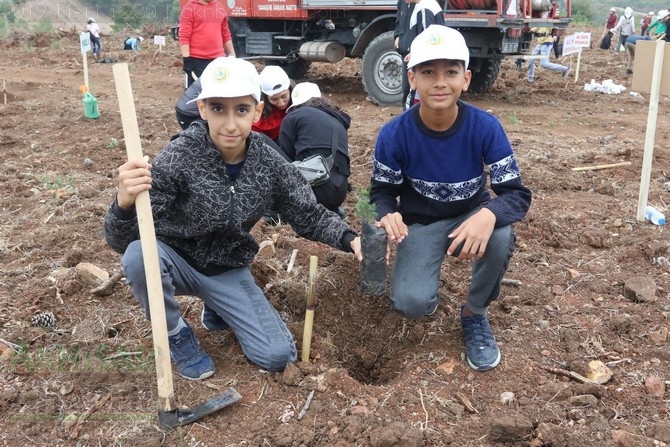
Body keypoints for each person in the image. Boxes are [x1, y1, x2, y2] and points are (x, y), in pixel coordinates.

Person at [104, 57, 362, 380]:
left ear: (257, 111)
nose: (229, 124)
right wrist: (124, 203)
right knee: (138, 256)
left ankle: (217, 308)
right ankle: (175, 333)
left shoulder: (269, 161)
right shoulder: (180, 156)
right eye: (218, 109)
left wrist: (349, 238)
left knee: (277, 355)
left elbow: (306, 213)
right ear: (202, 109)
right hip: (176, 260)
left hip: (227, 267)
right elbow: (120, 240)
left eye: (241, 110)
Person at [370, 25, 531, 372]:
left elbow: (516, 195)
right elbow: (382, 191)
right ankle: (422, 280)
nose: (440, 82)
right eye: (428, 72)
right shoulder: (394, 134)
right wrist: (388, 213)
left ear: (466, 78)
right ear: (412, 78)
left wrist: (487, 216)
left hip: (469, 219)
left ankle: (475, 312)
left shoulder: (485, 127)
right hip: (420, 224)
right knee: (411, 304)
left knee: (500, 233)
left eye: (451, 72)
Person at [278, 82, 351, 214]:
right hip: (340, 192)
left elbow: (284, 156)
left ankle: (273, 211)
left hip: (313, 189)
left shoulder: (293, 116)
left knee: (260, 140)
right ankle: (329, 210)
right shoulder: (338, 120)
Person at [394, 0, 445, 110]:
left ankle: (412, 122)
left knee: (416, 97)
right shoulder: (421, 6)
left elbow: (428, 39)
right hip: (418, 58)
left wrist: (416, 54)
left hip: (424, 63)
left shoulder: (425, 8)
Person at [179, 0, 236, 88]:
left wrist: (233, 55)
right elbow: (184, 36)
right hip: (197, 61)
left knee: (217, 93)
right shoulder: (189, 8)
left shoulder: (219, 8)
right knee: (196, 94)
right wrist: (187, 60)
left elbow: (225, 34)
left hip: (218, 61)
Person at [253, 66, 293, 144]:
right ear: (265, 98)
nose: (281, 103)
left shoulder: (300, 102)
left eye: (284, 96)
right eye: (274, 99)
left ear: (290, 90)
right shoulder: (259, 115)